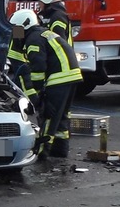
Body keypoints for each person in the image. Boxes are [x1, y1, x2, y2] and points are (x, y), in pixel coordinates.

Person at [9, 9, 81, 158]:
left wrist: (38, 96)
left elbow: (38, 69)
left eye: (16, 29)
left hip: (59, 78)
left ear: (24, 26)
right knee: (61, 116)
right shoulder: (42, 33)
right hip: (71, 76)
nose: (15, 34)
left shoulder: (33, 39)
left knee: (48, 115)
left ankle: (42, 151)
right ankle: (60, 150)